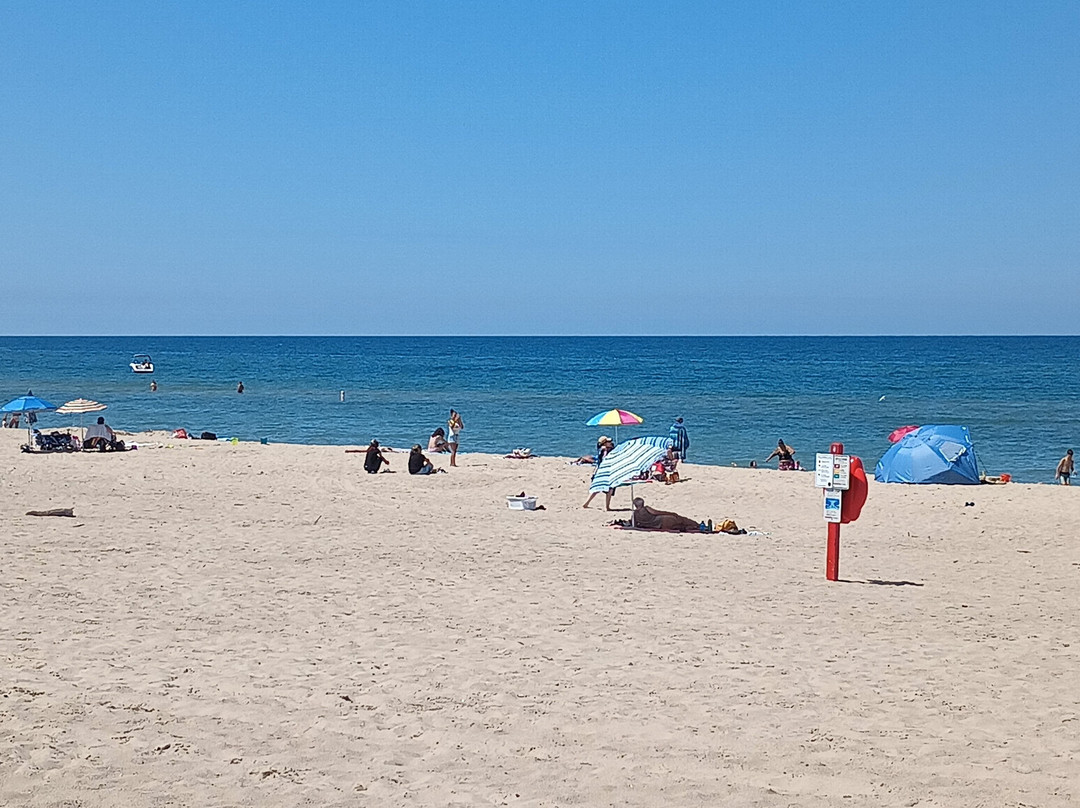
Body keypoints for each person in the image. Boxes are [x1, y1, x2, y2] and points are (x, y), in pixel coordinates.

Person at [631, 497, 705, 532]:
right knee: (681, 519)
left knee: (679, 523)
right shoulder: (646, 508)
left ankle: (694, 526)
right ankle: (697, 525)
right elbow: (657, 512)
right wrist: (671, 513)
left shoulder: (634, 514)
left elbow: (634, 524)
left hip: (654, 525)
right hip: (660, 521)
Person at [582, 436, 617, 509]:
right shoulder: (603, 450)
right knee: (600, 488)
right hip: (602, 471)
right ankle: (587, 503)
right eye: (608, 442)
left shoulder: (608, 449)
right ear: (604, 443)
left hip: (606, 471)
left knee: (608, 489)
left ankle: (606, 506)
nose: (611, 443)